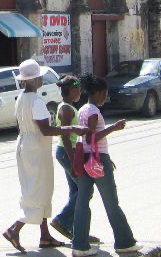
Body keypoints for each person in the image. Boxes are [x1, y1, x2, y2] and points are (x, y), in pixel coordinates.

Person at [3, 59, 86, 253]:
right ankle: (14, 229)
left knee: (40, 189)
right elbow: (46, 130)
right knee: (37, 191)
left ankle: (45, 236)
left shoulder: (22, 98)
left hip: (26, 145)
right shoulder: (36, 102)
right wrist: (72, 128)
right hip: (36, 149)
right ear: (36, 79)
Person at [71, 73, 141, 256]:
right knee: (111, 202)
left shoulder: (83, 109)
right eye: (105, 93)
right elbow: (90, 137)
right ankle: (124, 242)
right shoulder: (94, 111)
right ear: (100, 92)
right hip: (96, 161)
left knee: (82, 201)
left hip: (86, 158)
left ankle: (79, 245)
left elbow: (86, 140)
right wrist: (113, 127)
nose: (105, 97)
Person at [50, 75, 99, 244]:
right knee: (86, 190)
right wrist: (72, 162)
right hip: (67, 153)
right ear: (69, 91)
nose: (79, 92)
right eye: (76, 89)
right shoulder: (66, 109)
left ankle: (78, 232)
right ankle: (62, 220)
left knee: (76, 192)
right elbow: (64, 136)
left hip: (69, 153)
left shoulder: (69, 106)